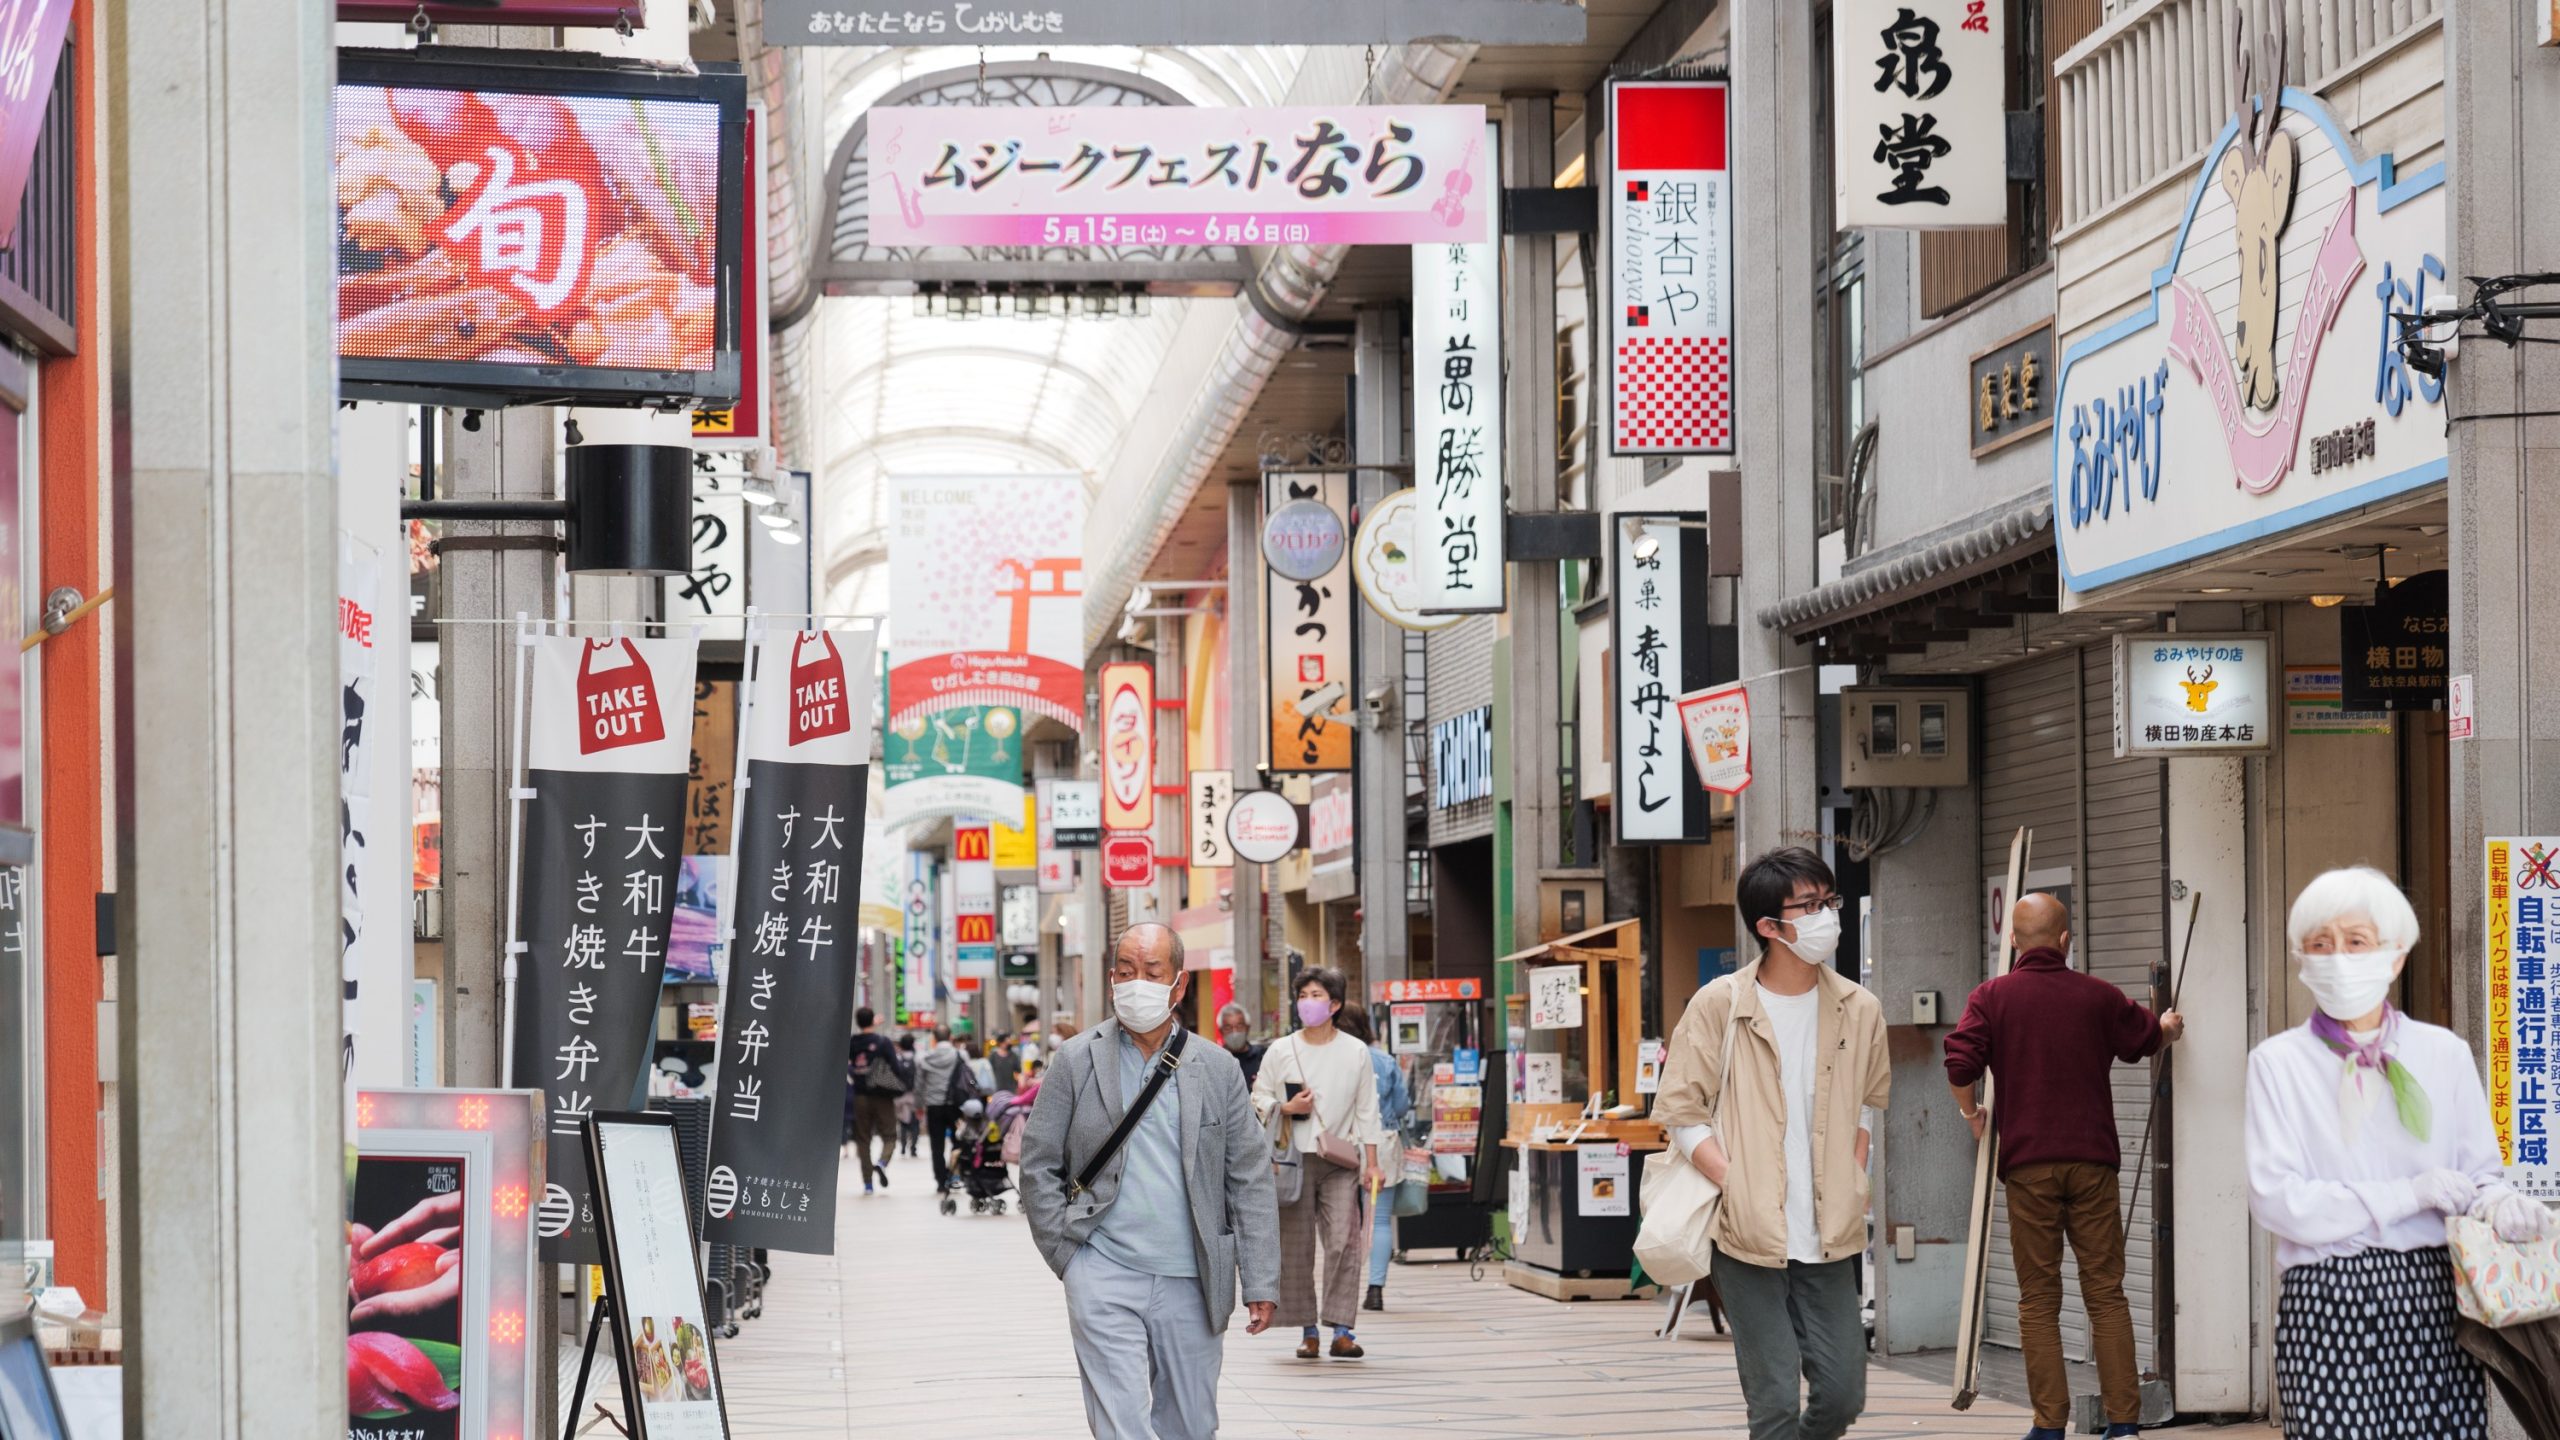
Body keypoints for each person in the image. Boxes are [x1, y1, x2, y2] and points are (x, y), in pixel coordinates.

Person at [2247, 866, 2552, 1440]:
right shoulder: (2277, 1064)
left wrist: (2504, 1204)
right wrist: (2406, 1195)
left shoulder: (2443, 1053)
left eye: (2355, 941)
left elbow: (2478, 1176)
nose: (2337, 956)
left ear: (2395, 956)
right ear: (2302, 960)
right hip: (2324, 1296)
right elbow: (2277, 1200)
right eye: (2320, 944)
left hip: (2434, 1294)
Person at [1653, 846, 1890, 1440]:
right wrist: (1736, 1184)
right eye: (1808, 906)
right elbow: (1683, 1114)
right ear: (1768, 926)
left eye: (1828, 901)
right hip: (1746, 1234)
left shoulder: (1860, 1008)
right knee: (1776, 1401)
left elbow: (1867, 1103)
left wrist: (1854, 1173)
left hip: (1829, 1232)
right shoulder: (1720, 1005)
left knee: (1841, 1393)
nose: (1825, 916)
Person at [1021, 922, 1279, 1440]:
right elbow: (1038, 1161)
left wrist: (1260, 1278)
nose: (1136, 983)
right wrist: (1068, 1257)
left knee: (1191, 1424)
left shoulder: (1217, 1067)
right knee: (1121, 1424)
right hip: (1102, 1268)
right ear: (1111, 979)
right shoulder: (1076, 1060)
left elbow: (1248, 1176)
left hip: (1194, 1274)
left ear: (1178, 985)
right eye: (1125, 972)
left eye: (1152, 973)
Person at [1943, 894, 2184, 1440]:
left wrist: (1972, 1112)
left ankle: (2049, 1426)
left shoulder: (1992, 997)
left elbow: (1959, 1062)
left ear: (2013, 942)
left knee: (2038, 1298)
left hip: (2029, 1168)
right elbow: (2146, 1038)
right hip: (2093, 1163)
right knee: (2105, 1292)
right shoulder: (2097, 996)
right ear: (2065, 941)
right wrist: (2168, 1025)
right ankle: (2123, 1425)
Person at [1252, 967, 1386, 1360]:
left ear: (1335, 1004)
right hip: (1291, 1161)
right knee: (1296, 1248)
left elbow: (1368, 1110)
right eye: (1303, 995)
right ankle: (1308, 1330)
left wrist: (1372, 1163)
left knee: (1345, 1242)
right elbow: (1258, 1097)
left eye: (1316, 995)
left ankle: (1341, 1329)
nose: (1307, 1002)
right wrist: (1287, 1107)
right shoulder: (1281, 1049)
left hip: (1341, 1160)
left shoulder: (1355, 1051)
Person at [1332, 1005, 1410, 1313]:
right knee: (1378, 1221)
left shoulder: (1334, 1059)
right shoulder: (1384, 1060)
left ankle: (1343, 1288)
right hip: (1383, 1142)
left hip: (1343, 1145)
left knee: (1342, 1219)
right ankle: (1375, 1289)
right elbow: (1403, 1105)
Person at [846, 1007, 906, 1194]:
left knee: (863, 1139)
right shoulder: (883, 1042)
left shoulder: (852, 1043)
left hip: (860, 1096)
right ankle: (882, 1162)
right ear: (873, 1020)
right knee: (889, 1135)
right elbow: (896, 1068)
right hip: (882, 1096)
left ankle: (868, 1184)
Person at [917, 1027, 978, 1192]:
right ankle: (955, 1174)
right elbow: (969, 1077)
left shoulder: (925, 1058)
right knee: (959, 1140)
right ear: (950, 1037)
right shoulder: (960, 1055)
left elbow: (919, 1084)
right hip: (956, 1106)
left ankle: (941, 1181)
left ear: (934, 1039)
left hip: (933, 1106)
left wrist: (918, 1105)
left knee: (936, 1146)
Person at [1217, 1003, 1266, 1086]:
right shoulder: (1216, 1059)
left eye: (1239, 1026)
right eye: (1228, 1028)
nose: (1234, 1032)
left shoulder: (1261, 1056)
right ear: (1221, 1031)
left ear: (1247, 1028)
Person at [894, 1034, 923, 1156]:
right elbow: (921, 1078)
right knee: (914, 1122)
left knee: (903, 1122)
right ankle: (913, 1147)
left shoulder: (896, 1058)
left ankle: (903, 1146)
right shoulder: (918, 1058)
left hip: (900, 1096)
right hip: (914, 1095)